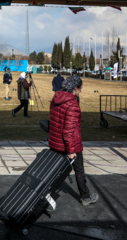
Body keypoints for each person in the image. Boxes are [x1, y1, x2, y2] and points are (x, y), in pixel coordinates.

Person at [48, 74, 98, 206]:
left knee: (55, 171)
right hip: (71, 145)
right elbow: (68, 131)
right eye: (80, 88)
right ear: (75, 88)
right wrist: (71, 151)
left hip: (56, 143)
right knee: (79, 170)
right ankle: (85, 196)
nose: (81, 90)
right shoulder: (72, 105)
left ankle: (45, 193)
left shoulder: (56, 99)